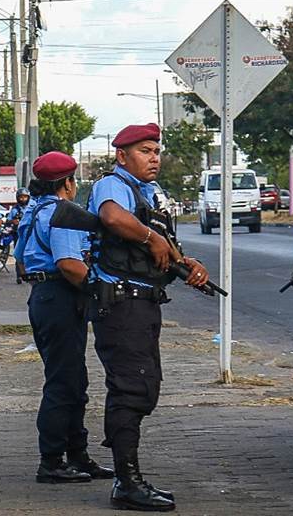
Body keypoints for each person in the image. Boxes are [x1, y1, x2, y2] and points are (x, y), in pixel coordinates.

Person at [87, 123, 209, 511]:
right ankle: (127, 482)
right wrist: (151, 239)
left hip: (142, 302)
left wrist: (182, 260)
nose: (154, 157)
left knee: (144, 386)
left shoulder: (146, 192)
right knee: (130, 388)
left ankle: (128, 476)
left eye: (156, 151)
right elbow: (112, 218)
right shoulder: (113, 185)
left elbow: (157, 236)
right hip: (121, 303)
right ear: (122, 155)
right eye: (145, 150)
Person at [16, 152, 114, 484]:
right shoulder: (63, 214)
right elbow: (69, 263)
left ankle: (77, 455)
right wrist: (101, 290)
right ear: (68, 183)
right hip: (60, 296)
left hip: (43, 297)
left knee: (73, 380)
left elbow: (20, 259)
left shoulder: (34, 211)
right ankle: (52, 460)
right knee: (63, 383)